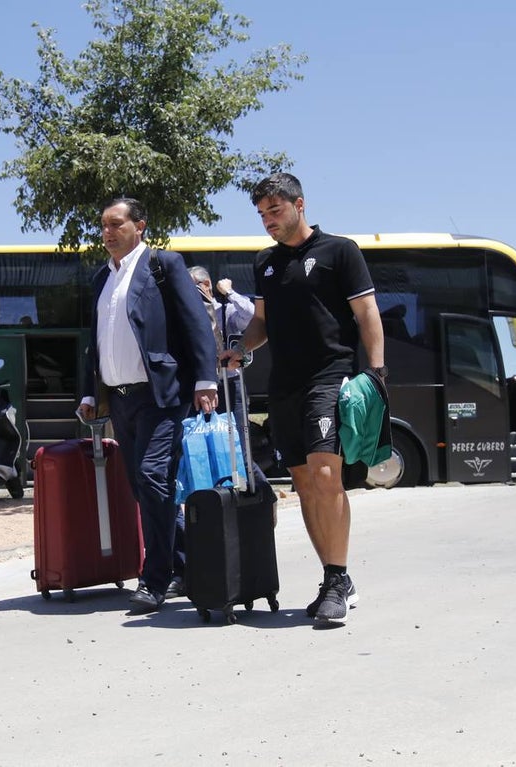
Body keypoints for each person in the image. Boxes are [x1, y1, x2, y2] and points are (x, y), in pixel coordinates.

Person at [223, 173, 386, 624]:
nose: (268, 221)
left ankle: (336, 578)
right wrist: (239, 348)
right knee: (303, 481)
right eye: (261, 214)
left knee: (324, 472)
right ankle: (336, 579)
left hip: (330, 377)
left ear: (300, 204)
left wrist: (376, 372)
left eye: (275, 211)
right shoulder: (265, 263)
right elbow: (261, 323)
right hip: (284, 385)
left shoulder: (340, 251)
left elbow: (367, 311)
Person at [77, 197, 218, 613]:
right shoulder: (102, 278)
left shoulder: (164, 265)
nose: (107, 232)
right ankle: (188, 564)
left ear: (140, 225)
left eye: (116, 224)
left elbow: (195, 323)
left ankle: (153, 579)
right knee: (144, 488)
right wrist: (90, 392)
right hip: (119, 400)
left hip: (161, 395)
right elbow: (95, 342)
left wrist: (205, 378)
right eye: (103, 225)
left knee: (153, 477)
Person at [187, 266, 277, 517]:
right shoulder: (187, 314)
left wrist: (230, 292)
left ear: (206, 285)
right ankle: (221, 502)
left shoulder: (225, 309)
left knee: (239, 443)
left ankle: (264, 496)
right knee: (205, 445)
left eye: (195, 286)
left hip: (230, 384)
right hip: (201, 388)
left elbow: (254, 318)